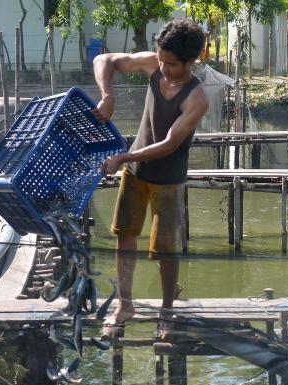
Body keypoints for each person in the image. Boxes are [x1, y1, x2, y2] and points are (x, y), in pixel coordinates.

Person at [92, 19, 209, 337]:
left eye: (171, 64)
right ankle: (125, 302)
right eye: (160, 59)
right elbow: (104, 60)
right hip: (136, 173)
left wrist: (123, 157)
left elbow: (170, 144)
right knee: (124, 234)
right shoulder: (153, 63)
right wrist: (107, 94)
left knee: (166, 248)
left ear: (189, 61)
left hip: (168, 180)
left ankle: (168, 309)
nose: (163, 67)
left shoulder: (196, 98)